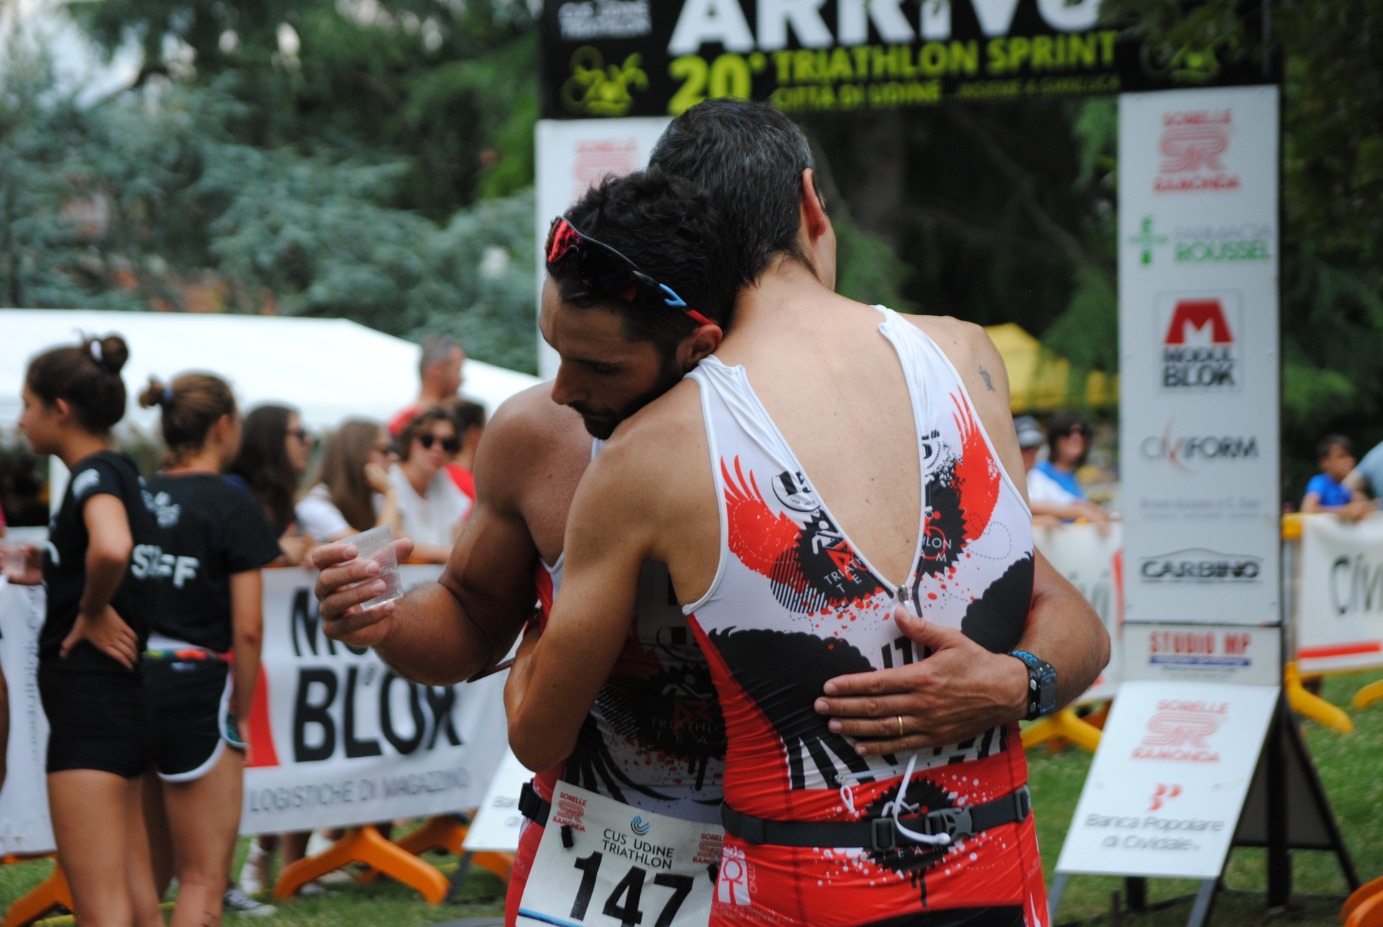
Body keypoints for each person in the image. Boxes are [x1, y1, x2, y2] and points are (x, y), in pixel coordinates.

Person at [504, 99, 1109, 927]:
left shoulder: (656, 445)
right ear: (811, 204)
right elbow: (1066, 616)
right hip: (997, 876)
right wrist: (1018, 680)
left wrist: (535, 638)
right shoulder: (965, 357)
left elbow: (540, 737)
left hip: (796, 886)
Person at [15, 333, 161, 926]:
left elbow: (112, 546)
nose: (21, 420)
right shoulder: (123, 470)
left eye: (27, 405)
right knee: (139, 905)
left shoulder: (88, 476)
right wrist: (52, 562)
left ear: (61, 409)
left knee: (100, 910)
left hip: (88, 708)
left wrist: (92, 610)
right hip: (124, 703)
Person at [134, 373, 283, 923]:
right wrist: (240, 709)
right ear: (223, 427)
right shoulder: (231, 504)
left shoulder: (137, 494)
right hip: (196, 688)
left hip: (129, 682)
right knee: (202, 876)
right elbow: (248, 627)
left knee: (145, 872)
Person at [226, 404, 315, 565]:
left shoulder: (279, 496)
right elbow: (220, 558)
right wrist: (276, 554)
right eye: (300, 434)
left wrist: (310, 550)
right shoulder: (233, 491)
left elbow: (302, 544)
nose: (308, 441)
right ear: (270, 438)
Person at [296, 418, 401, 543]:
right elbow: (377, 547)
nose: (394, 457)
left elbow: (401, 537)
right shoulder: (314, 504)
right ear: (358, 454)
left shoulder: (373, 496)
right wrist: (390, 493)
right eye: (385, 450)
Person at [389, 406, 472, 563]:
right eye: (427, 440)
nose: (437, 448)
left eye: (447, 443)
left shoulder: (442, 479)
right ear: (410, 439)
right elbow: (390, 545)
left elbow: (459, 535)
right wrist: (449, 554)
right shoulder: (391, 479)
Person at [1026, 409, 1111, 532]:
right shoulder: (1037, 473)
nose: (1076, 438)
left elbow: (1071, 503)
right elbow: (1030, 504)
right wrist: (1079, 511)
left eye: (1082, 433)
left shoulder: (1073, 476)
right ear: (1055, 438)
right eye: (1067, 432)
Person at [388, 334, 466, 436]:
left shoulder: (401, 422)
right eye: (458, 370)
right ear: (437, 370)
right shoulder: (405, 424)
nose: (462, 379)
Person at [1305, 434, 1372, 519]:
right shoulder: (1319, 482)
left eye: (1350, 456)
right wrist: (1343, 511)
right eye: (1341, 456)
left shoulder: (1349, 483)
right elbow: (1308, 508)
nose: (1349, 460)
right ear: (1325, 463)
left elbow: (1363, 507)